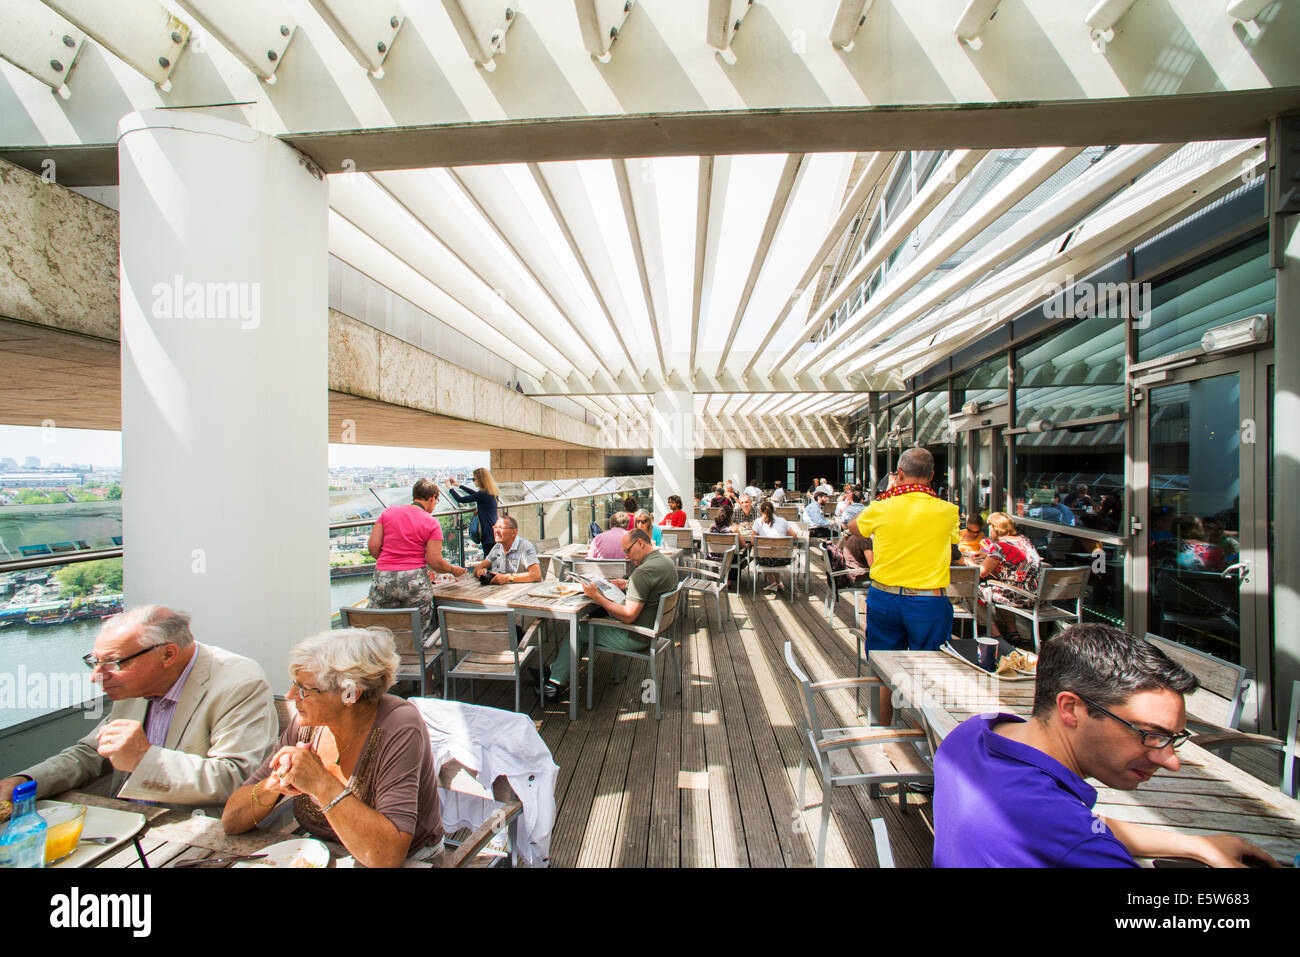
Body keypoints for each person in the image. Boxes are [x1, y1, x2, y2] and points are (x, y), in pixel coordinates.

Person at [933, 623, 1280, 868]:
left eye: (1173, 738)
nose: (1171, 761)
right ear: (1070, 708)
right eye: (1149, 733)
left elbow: (1084, 825)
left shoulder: (971, 735)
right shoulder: (1079, 846)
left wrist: (1195, 844)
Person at [1, 606, 276, 810]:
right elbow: (90, 754)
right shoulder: (135, 683)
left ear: (167, 654)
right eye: (94, 661)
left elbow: (235, 780)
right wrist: (24, 781)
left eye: (112, 662)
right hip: (127, 819)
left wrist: (144, 759)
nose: (96, 675)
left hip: (192, 832)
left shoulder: (239, 682)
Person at [222, 628, 444, 867]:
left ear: (350, 694)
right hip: (322, 855)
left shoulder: (399, 727)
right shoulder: (306, 726)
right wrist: (271, 786)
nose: (291, 695)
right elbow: (231, 822)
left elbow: (387, 857)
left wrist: (321, 783)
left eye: (305, 689)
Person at [856, 448, 960, 725]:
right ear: (932, 476)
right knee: (931, 671)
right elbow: (952, 542)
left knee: (882, 668)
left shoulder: (881, 507)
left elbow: (856, 527)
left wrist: (886, 495)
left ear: (899, 474)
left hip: (885, 598)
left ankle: (881, 730)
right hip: (929, 601)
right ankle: (930, 734)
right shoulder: (948, 511)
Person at [543, 529, 678, 701]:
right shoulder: (665, 563)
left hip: (637, 635)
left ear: (641, 543)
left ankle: (553, 684)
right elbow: (651, 588)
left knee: (579, 629)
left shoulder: (643, 572)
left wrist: (597, 597)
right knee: (587, 626)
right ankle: (558, 669)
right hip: (654, 628)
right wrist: (628, 583)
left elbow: (629, 616)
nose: (627, 556)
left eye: (628, 551)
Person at [368, 478, 465, 637]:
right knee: (420, 632)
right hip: (414, 579)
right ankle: (419, 659)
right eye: (436, 501)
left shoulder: (388, 512)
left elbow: (373, 546)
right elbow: (434, 561)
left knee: (379, 630)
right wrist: (453, 570)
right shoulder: (431, 522)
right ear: (432, 498)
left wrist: (390, 562)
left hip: (383, 576)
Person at [966, 511, 1042, 638]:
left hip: (1018, 596)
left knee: (970, 590)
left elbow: (980, 572)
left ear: (994, 528)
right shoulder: (1024, 540)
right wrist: (988, 555)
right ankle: (1012, 631)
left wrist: (968, 562)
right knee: (1001, 585)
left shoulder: (999, 547)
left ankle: (994, 632)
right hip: (1035, 594)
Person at [472, 515, 542, 585]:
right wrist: (479, 572)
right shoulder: (497, 547)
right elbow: (478, 568)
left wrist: (508, 578)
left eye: (501, 528)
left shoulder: (525, 546)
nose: (496, 531)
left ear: (513, 532)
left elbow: (536, 575)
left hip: (521, 591)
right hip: (502, 591)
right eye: (495, 527)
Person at [446, 467, 501, 553]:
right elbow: (475, 494)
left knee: (489, 559)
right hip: (493, 529)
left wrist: (450, 488)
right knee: (494, 558)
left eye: (474, 479)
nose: (473, 481)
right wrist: (459, 485)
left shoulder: (482, 495)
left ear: (480, 480)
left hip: (487, 532)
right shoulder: (491, 493)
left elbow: (460, 499)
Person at [752, 499, 794, 593]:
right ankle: (778, 581)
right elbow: (793, 537)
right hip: (783, 559)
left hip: (764, 559)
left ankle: (774, 582)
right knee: (773, 552)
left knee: (765, 554)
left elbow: (752, 541)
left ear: (761, 511)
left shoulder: (758, 522)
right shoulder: (783, 521)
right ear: (774, 510)